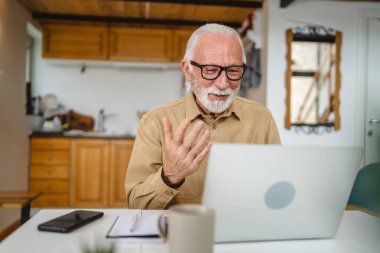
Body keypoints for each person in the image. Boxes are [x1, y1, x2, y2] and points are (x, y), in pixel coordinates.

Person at [125, 23, 281, 209]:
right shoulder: (155, 122)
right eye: (210, 70)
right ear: (187, 70)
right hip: (182, 234)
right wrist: (170, 176)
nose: (223, 84)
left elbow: (278, 188)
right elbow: (136, 205)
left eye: (233, 71)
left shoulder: (261, 118)